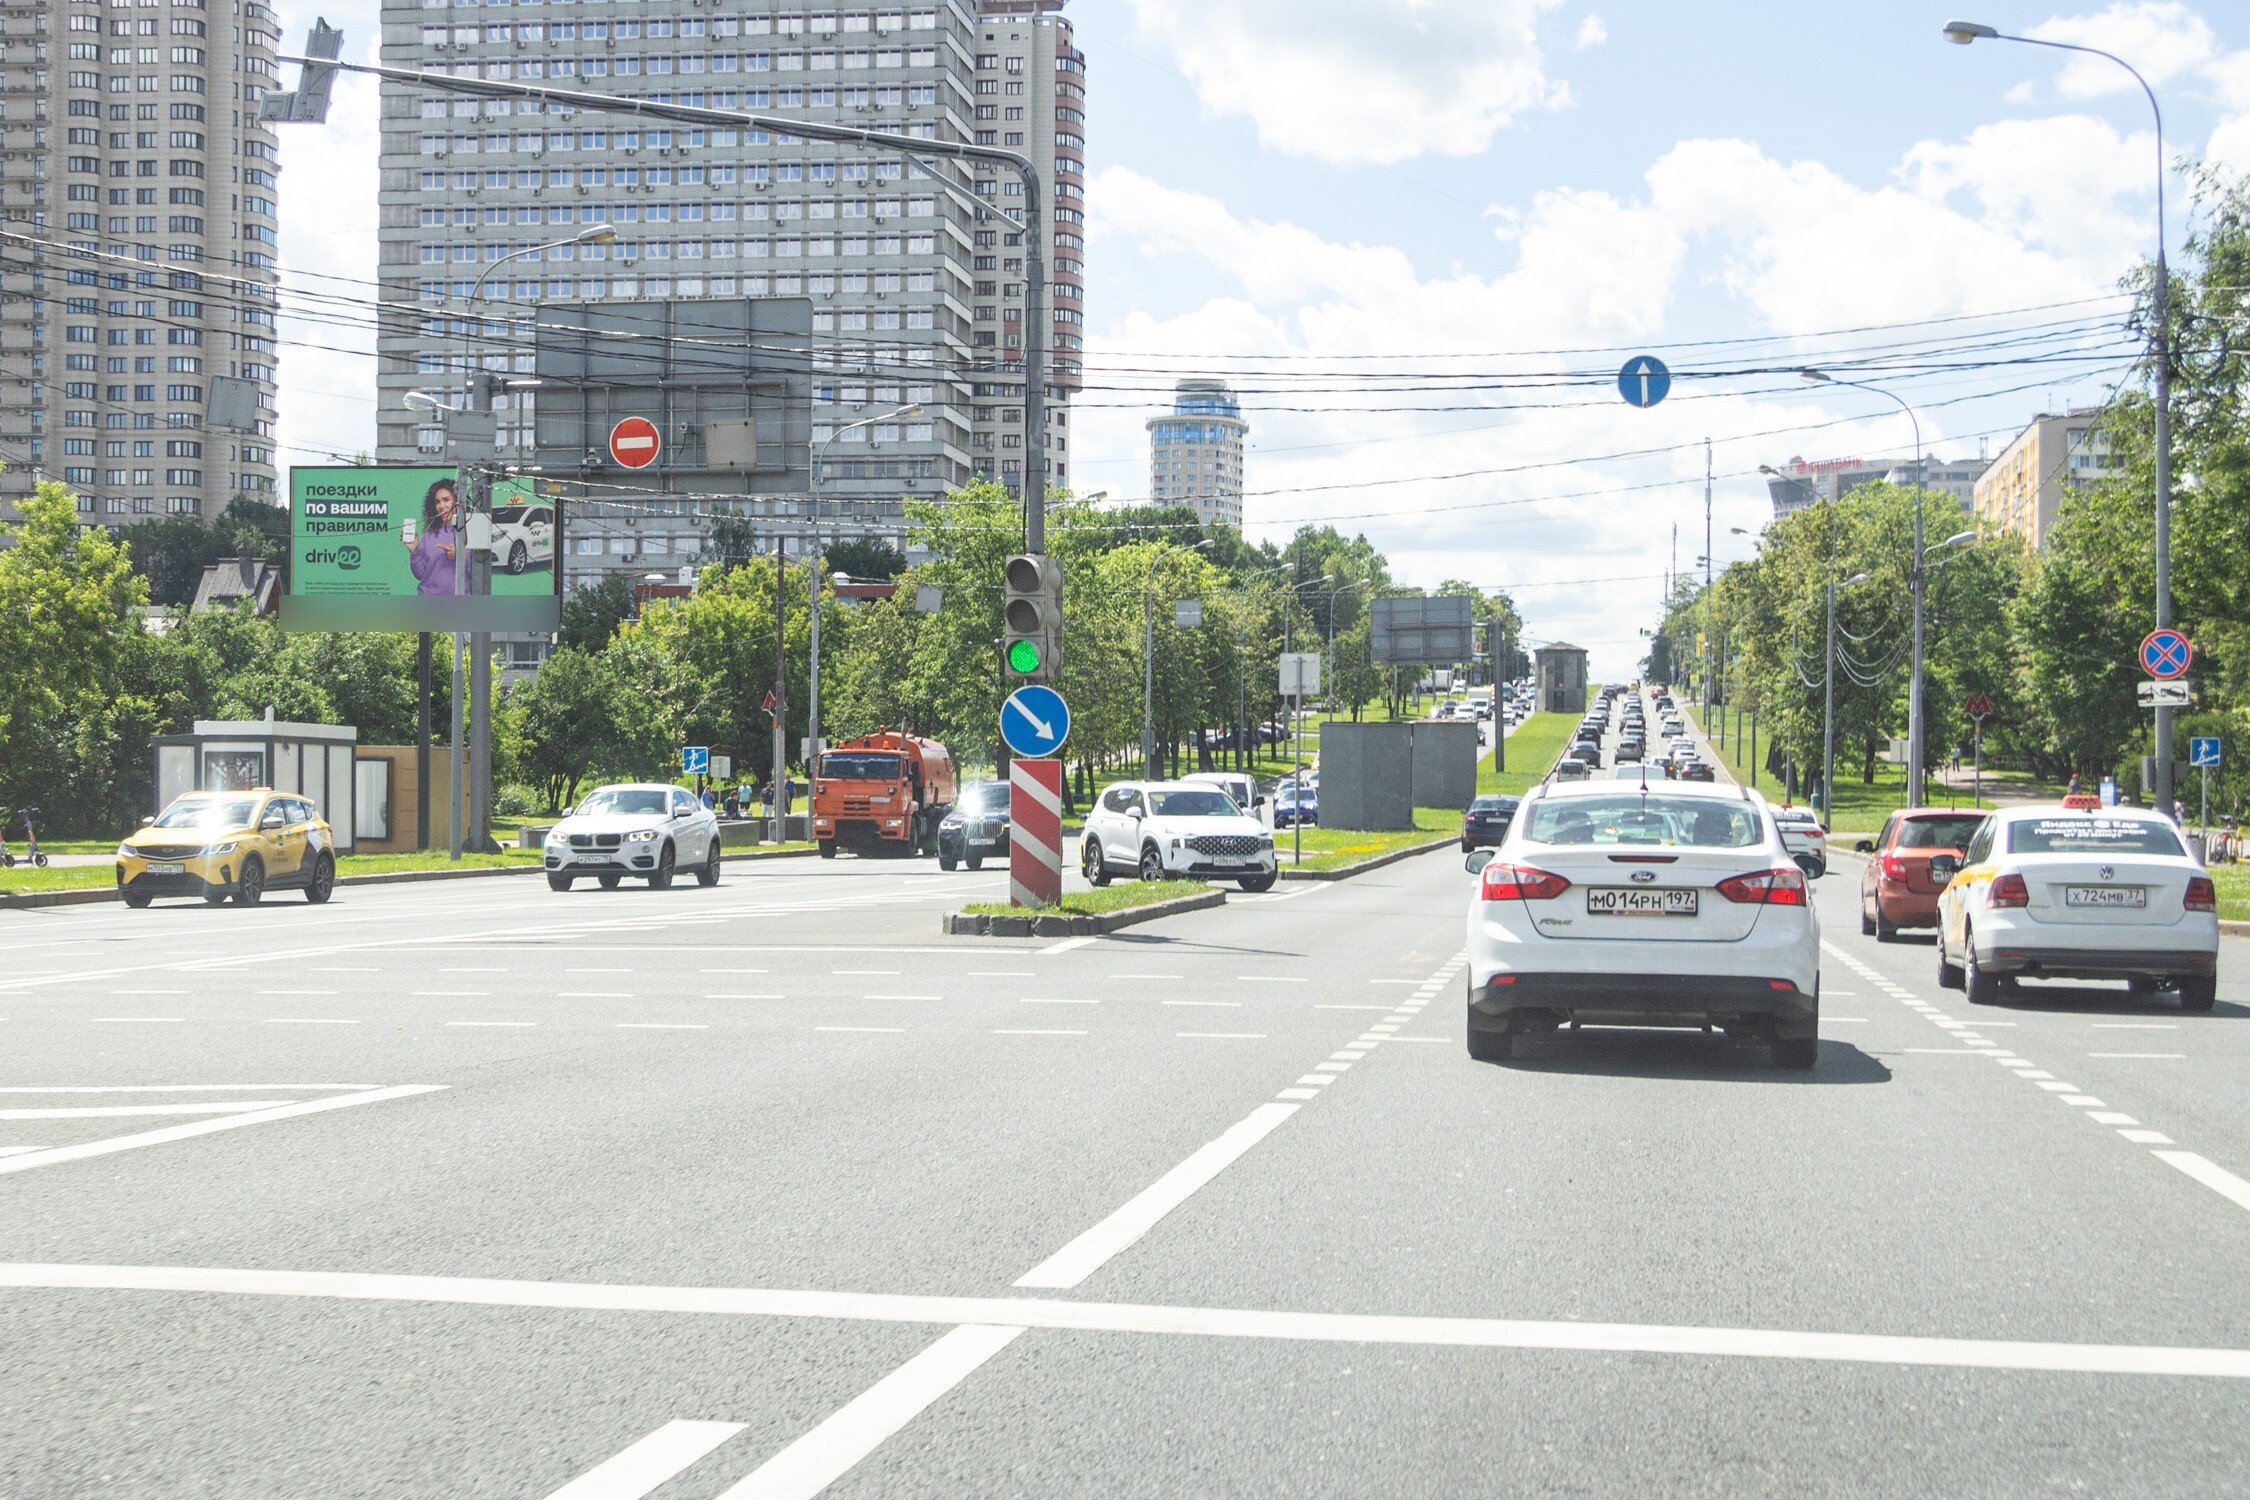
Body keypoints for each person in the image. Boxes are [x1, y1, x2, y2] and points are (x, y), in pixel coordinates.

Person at [405, 478, 465, 596]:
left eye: (446, 500)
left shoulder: (468, 531)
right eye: (437, 502)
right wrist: (414, 551)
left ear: (457, 501)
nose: (441, 506)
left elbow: (478, 573)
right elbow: (420, 574)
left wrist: (459, 556)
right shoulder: (429, 533)